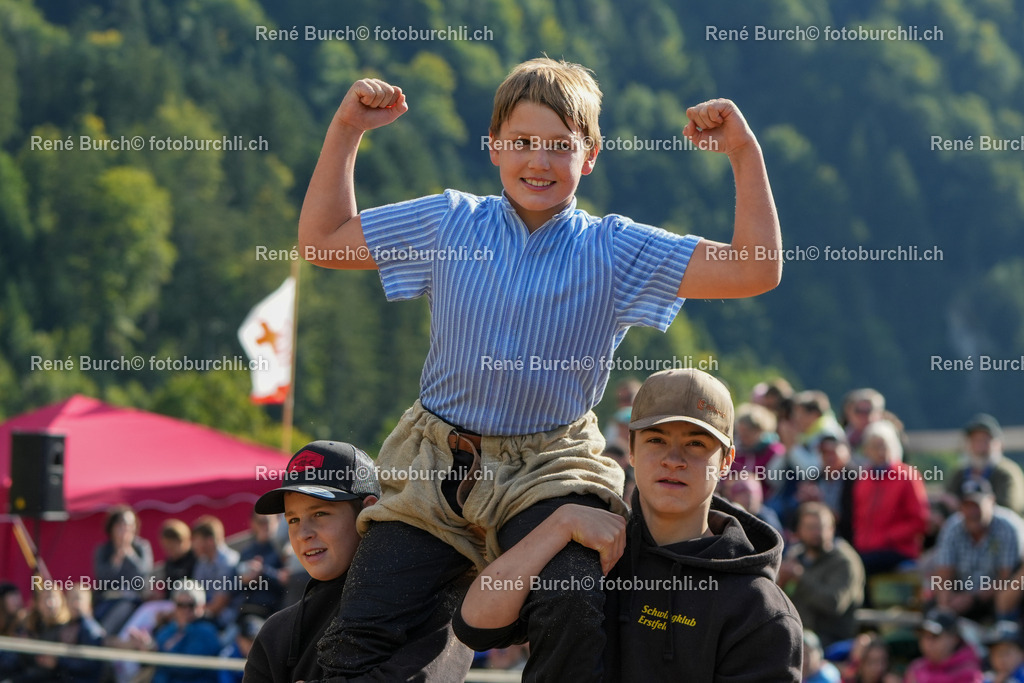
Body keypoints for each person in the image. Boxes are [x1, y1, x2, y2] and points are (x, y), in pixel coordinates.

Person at [299, 55, 783, 681]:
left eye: (560, 146)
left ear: (590, 156)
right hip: (435, 461)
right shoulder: (451, 221)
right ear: (494, 147)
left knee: (574, 600)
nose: (540, 161)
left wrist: (744, 153)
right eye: (523, 142)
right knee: (361, 625)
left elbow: (754, 268)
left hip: (550, 465)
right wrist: (346, 130)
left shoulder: (614, 247)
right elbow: (323, 241)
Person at [453, 369, 803, 681]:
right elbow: (476, 626)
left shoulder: (760, 610)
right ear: (631, 451)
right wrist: (559, 524)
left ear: (726, 461)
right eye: (656, 440)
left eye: (696, 444)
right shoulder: (583, 549)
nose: (673, 459)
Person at [242, 440, 474, 683]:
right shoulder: (277, 632)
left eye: (320, 513)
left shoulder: (429, 603)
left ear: (369, 512)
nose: (303, 534)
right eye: (293, 520)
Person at [933, 479, 1022, 622]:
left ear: (991, 502)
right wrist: (945, 609)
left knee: (1006, 604)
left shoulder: (1009, 528)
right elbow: (943, 576)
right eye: (966, 505)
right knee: (934, 613)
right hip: (960, 594)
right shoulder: (952, 528)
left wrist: (972, 598)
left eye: (976, 505)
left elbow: (1006, 579)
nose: (972, 512)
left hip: (996, 597)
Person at [779, 502, 864, 647]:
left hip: (830, 639)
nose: (816, 533)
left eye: (821, 527)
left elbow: (834, 603)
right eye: (810, 528)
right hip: (795, 633)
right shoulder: (795, 556)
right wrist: (781, 581)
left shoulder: (845, 561)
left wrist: (800, 577)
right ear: (799, 530)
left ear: (832, 529)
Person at [851, 419, 929, 576]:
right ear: (866, 450)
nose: (879, 451)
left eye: (883, 446)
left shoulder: (907, 476)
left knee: (855, 568)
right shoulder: (863, 479)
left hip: (897, 550)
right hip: (866, 548)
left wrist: (888, 537)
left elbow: (919, 520)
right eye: (874, 447)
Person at [946, 415, 1024, 517]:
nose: (979, 446)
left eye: (985, 440)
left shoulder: (1006, 473)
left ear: (998, 444)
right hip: (962, 529)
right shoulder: (960, 473)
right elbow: (947, 499)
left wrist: (962, 507)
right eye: (975, 440)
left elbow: (1010, 508)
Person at [93, 504, 153, 634]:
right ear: (112, 528)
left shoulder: (141, 547)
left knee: (121, 610)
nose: (126, 530)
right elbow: (102, 579)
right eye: (121, 525)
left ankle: (104, 638)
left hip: (133, 601)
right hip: (107, 600)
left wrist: (130, 555)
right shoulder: (104, 550)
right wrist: (116, 560)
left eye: (130, 525)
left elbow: (144, 577)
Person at [905, 607, 983, 683]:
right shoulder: (916, 668)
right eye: (924, 636)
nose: (927, 643)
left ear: (954, 638)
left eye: (934, 636)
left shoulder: (968, 671)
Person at [191, 515, 240, 629]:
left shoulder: (228, 562)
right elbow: (195, 593)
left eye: (196, 540)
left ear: (210, 541)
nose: (193, 545)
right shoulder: (202, 561)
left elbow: (219, 605)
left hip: (227, 620)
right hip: (206, 613)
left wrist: (190, 613)